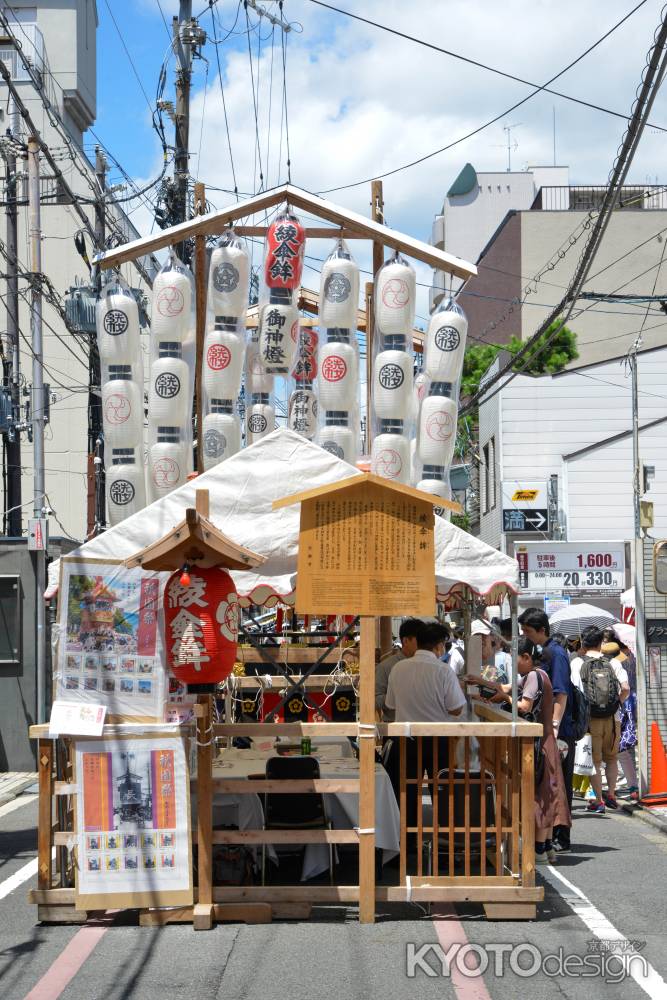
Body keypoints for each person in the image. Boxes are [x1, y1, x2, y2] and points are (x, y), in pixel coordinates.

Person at [464, 637, 571, 864]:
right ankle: (547, 847)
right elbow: (504, 687)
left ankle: (540, 849)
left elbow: (524, 706)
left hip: (540, 743)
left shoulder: (533, 676)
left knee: (541, 795)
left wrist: (502, 697)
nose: (514, 664)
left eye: (517, 659)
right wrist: (481, 682)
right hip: (544, 741)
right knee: (547, 793)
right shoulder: (536, 675)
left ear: (527, 658)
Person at [385, 622, 466, 843]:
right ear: (439, 646)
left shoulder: (397, 669)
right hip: (438, 738)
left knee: (406, 792)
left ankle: (406, 843)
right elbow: (456, 708)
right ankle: (444, 842)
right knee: (441, 790)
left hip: (405, 738)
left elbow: (390, 705)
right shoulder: (443, 671)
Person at [519, 608, 575, 854]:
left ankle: (559, 839)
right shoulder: (544, 655)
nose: (526, 636)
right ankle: (549, 842)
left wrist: (554, 725)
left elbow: (562, 693)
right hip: (550, 728)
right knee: (550, 786)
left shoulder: (556, 654)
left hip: (557, 729)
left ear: (541, 631)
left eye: (528, 632)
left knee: (554, 787)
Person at [570, 626, 630, 812]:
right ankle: (611, 794)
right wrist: (616, 704)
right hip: (613, 719)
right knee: (611, 759)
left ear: (583, 642)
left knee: (595, 761)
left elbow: (575, 692)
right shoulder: (613, 662)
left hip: (590, 719)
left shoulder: (577, 663)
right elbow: (626, 688)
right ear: (600, 643)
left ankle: (598, 801)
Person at [375, 617, 422, 720]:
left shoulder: (430, 666)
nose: (424, 644)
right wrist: (398, 695)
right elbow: (375, 700)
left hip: (426, 728)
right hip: (396, 728)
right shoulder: (385, 666)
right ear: (405, 641)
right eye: (420, 640)